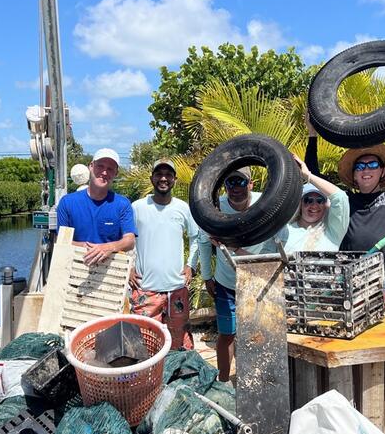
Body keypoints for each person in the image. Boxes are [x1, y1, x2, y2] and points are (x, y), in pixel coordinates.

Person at [306, 96, 385, 434]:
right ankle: (357, 416)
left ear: (381, 171)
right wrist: (314, 136)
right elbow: (311, 177)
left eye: (371, 165)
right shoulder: (342, 200)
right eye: (360, 166)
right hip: (349, 285)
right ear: (354, 173)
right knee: (353, 349)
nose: (365, 171)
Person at [197, 167, 288, 382]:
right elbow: (203, 242)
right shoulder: (216, 207)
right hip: (226, 282)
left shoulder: (266, 204)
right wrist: (207, 276)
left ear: (251, 184)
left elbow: (280, 241)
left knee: (256, 333)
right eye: (230, 183)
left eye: (240, 182)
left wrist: (238, 248)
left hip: (258, 281)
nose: (235, 188)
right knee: (227, 334)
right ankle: (224, 381)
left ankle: (254, 381)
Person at [130, 159, 199, 350]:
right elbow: (127, 240)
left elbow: (196, 237)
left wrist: (191, 265)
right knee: (143, 345)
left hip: (176, 288)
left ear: (175, 179)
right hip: (145, 289)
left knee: (179, 346)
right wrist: (128, 268)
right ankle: (148, 380)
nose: (163, 178)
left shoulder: (183, 208)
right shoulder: (137, 207)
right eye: (159, 174)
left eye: (168, 175)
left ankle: (177, 378)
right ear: (152, 178)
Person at [56, 147, 136, 266]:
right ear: (91, 166)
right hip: (75, 268)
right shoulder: (68, 202)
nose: (104, 172)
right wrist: (91, 249)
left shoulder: (122, 204)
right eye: (100, 166)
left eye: (110, 169)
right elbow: (62, 241)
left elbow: (130, 241)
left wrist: (109, 247)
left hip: (112, 272)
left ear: (116, 173)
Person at [285, 154, 350, 252]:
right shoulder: (284, 230)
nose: (314, 205)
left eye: (320, 201)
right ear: (300, 204)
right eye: (308, 200)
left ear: (326, 205)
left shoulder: (333, 230)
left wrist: (307, 175)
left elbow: (340, 197)